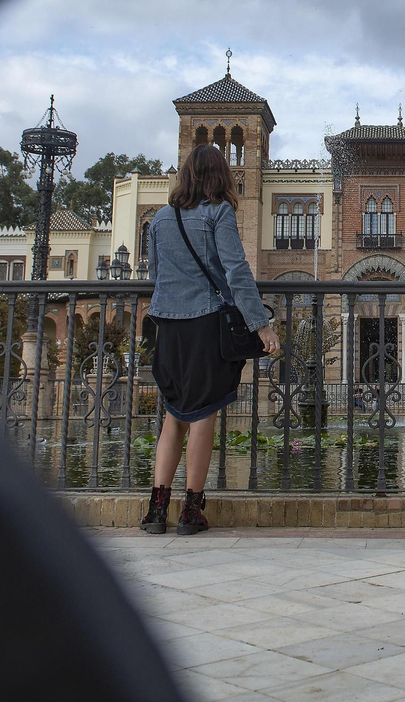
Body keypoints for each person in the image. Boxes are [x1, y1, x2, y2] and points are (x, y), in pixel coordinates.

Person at [143, 143, 278, 535]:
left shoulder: (161, 218)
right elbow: (236, 271)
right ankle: (190, 511)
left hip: (167, 325)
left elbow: (156, 275)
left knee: (173, 415)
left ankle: (156, 510)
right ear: (221, 175)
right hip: (204, 324)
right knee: (202, 415)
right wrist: (261, 325)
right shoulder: (219, 212)